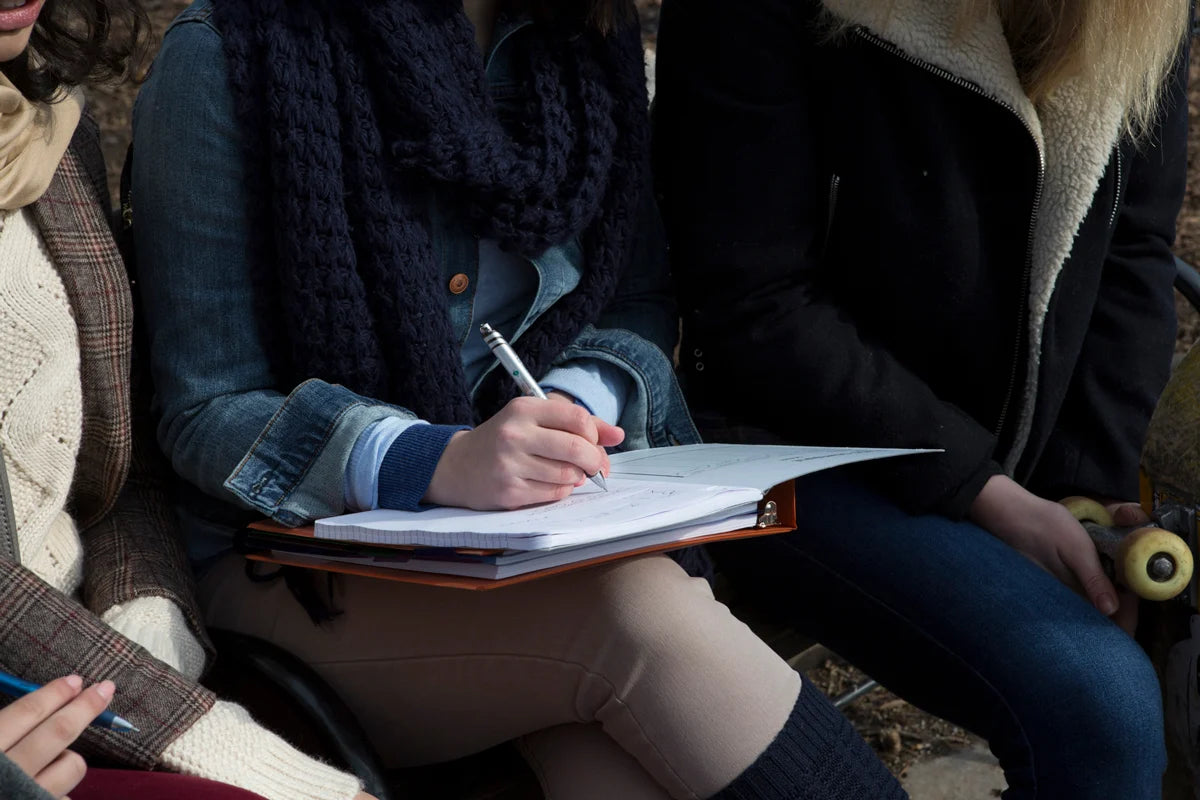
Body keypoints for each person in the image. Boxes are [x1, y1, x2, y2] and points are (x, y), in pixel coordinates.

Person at [130, 0, 909, 797]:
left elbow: (632, 298)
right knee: (637, 611)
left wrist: (574, 407)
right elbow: (207, 409)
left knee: (618, 769)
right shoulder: (233, 50)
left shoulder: (577, 38)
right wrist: (435, 459)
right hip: (289, 569)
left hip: (540, 544)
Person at [653, 0, 1189, 797]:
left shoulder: (1142, 13)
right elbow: (750, 301)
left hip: (1005, 461)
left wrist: (1089, 492)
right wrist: (979, 489)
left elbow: (1133, 246)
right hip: (779, 445)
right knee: (1097, 698)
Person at [0, 0, 378, 797]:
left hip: (105, 686)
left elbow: (114, 465)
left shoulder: (49, 137)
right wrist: (229, 747)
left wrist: (146, 614)